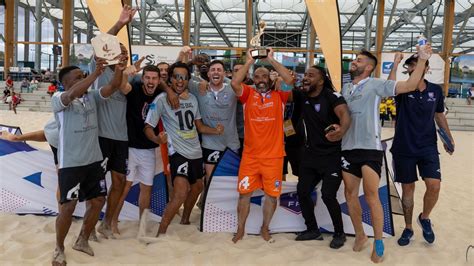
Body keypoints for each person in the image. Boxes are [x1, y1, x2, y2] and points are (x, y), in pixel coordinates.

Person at [340, 45, 432, 263]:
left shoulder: (375, 84)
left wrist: (421, 60)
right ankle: (360, 234)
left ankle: (378, 241)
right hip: (346, 148)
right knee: (350, 195)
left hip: (369, 148)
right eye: (355, 58)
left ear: (369, 67)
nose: (354, 61)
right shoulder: (345, 88)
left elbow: (409, 85)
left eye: (359, 60)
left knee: (372, 196)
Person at [51, 56, 127, 266]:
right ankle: (59, 248)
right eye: (78, 77)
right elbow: (72, 94)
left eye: (84, 75)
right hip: (71, 163)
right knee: (68, 207)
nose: (83, 79)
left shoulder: (91, 96)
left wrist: (119, 69)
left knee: (97, 202)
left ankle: (83, 239)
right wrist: (95, 74)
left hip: (93, 161)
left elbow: (112, 86)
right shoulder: (59, 98)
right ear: (66, 83)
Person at [143, 62, 223, 237]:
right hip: (178, 153)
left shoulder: (192, 99)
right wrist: (157, 138)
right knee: (180, 193)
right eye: (176, 77)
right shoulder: (162, 100)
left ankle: (185, 219)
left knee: (198, 186)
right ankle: (160, 233)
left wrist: (215, 130)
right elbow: (148, 126)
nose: (180, 80)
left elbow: (199, 126)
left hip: (196, 152)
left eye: (184, 77)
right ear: (170, 79)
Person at [388, 52, 455, 247]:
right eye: (415, 65)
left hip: (428, 147)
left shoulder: (435, 90)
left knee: (434, 185)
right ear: (409, 69)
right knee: (408, 191)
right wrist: (395, 64)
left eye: (422, 65)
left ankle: (424, 218)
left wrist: (448, 138)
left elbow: (439, 115)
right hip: (404, 147)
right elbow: (388, 86)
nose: (419, 68)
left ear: (426, 69)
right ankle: (408, 228)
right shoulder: (402, 89)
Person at [230, 48, 294, 243]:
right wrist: (249, 61)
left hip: (273, 157)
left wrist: (270, 59)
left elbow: (289, 80)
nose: (260, 79)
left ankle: (265, 228)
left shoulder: (280, 96)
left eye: (264, 75)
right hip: (250, 156)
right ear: (253, 79)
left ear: (270, 78)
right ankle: (240, 229)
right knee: (244, 194)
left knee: (271, 196)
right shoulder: (248, 94)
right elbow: (234, 82)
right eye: (257, 76)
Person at [112, 64, 178, 235]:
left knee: (146, 188)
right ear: (142, 79)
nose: (150, 81)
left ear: (158, 80)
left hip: (150, 149)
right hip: (130, 147)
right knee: (124, 187)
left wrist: (168, 90)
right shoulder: (134, 89)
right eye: (147, 78)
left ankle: (142, 224)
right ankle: (112, 221)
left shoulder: (161, 95)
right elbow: (122, 85)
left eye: (154, 78)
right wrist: (125, 73)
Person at [91, 4, 138, 238]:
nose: (121, 54)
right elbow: (102, 42)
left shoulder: (125, 78)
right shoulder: (100, 70)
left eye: (125, 53)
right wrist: (120, 23)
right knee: (97, 188)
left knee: (119, 182)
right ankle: (90, 227)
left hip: (121, 138)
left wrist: (126, 70)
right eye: (118, 51)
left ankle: (107, 223)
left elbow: (126, 87)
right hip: (100, 137)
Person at [294, 66, 351, 249]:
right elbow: (288, 81)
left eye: (311, 75)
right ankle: (312, 229)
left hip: (331, 156)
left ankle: (339, 233)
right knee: (302, 192)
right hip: (310, 156)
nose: (306, 78)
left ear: (320, 80)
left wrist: (342, 129)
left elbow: (345, 114)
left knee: (328, 195)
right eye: (305, 75)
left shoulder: (331, 96)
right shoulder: (302, 96)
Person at [189, 60, 240, 189]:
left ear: (225, 73)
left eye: (219, 70)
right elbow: (181, 74)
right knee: (211, 181)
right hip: (210, 144)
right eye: (213, 70)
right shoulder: (200, 88)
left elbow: (239, 82)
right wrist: (185, 56)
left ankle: (227, 209)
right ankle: (208, 207)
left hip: (231, 144)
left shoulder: (233, 89)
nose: (216, 72)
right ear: (208, 74)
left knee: (231, 181)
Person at [232, 63, 254, 155]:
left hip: (248, 135)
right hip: (231, 134)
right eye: (236, 70)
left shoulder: (254, 88)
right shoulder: (225, 87)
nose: (238, 73)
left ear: (247, 73)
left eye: (241, 70)